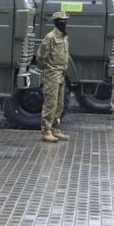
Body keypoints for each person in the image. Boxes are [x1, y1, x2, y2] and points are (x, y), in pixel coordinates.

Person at [36, 11, 71, 142]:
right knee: (50, 103)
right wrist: (49, 68)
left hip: (62, 73)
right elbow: (40, 57)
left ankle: (55, 129)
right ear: (56, 22)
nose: (64, 23)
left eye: (65, 21)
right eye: (61, 21)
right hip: (52, 74)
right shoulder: (50, 37)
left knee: (60, 104)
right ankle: (46, 131)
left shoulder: (65, 37)